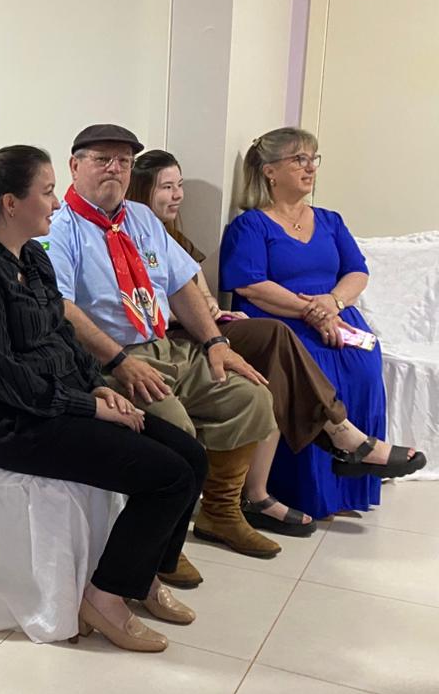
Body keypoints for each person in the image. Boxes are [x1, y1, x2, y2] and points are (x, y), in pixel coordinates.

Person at [0, 144, 206, 650]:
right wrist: (91, 407)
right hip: (15, 426)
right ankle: (104, 598)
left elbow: (63, 339)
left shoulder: (32, 259)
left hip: (58, 404)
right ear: (11, 204)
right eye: (46, 193)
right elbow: (2, 377)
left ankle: (142, 574)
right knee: (168, 477)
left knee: (191, 456)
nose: (57, 203)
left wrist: (100, 386)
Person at [130, 150, 423, 538]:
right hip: (172, 336)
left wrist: (329, 304)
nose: (178, 195)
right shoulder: (136, 236)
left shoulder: (174, 238)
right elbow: (156, 305)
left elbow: (200, 294)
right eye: (167, 187)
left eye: (180, 185)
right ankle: (340, 439)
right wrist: (309, 311)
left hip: (217, 326)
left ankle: (265, 489)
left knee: (283, 345)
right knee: (276, 342)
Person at [46, 124, 281, 577]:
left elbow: (180, 284)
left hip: (166, 346)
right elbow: (63, 309)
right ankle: (163, 540)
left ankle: (220, 512)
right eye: (102, 159)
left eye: (124, 161)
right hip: (109, 358)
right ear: (74, 165)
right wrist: (119, 361)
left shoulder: (141, 217)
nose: (114, 168)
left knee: (249, 396)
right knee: (175, 429)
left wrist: (215, 342)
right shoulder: (61, 227)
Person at [219, 128, 424, 518]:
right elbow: (251, 285)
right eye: (299, 159)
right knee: (313, 368)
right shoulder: (251, 225)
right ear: (269, 171)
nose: (310, 167)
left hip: (337, 317)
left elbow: (357, 272)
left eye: (313, 159)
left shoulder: (330, 220)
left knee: (364, 367)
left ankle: (352, 478)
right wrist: (311, 311)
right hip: (282, 322)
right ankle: (303, 492)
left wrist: (333, 303)